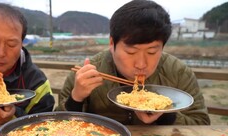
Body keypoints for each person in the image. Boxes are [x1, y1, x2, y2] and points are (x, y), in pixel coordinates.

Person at [56, 0, 210, 125]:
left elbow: (202, 124)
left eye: (152, 52)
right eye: (131, 52)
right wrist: (76, 98)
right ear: (112, 43)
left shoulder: (178, 73)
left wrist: (165, 116)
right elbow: (57, 127)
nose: (141, 64)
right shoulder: (88, 73)